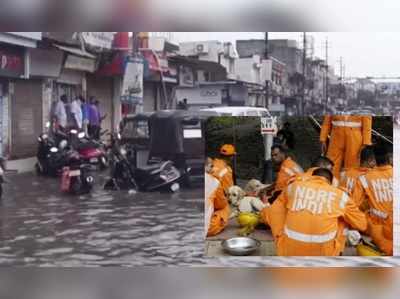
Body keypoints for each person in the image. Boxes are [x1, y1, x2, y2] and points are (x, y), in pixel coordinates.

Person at [261, 168, 367, 256]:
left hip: (289, 250)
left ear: (311, 177)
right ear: (330, 182)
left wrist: (279, 235)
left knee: (282, 210)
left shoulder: (293, 187)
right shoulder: (340, 196)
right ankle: (337, 251)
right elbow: (362, 225)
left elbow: (273, 212)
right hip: (324, 253)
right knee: (343, 218)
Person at [352, 145, 393, 255]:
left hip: (380, 232)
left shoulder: (364, 179)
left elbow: (352, 207)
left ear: (373, 160)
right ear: (389, 158)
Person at [205, 157, 230, 237]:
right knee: (225, 208)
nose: (213, 168)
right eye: (211, 166)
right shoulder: (215, 181)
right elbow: (221, 204)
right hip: (207, 227)